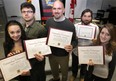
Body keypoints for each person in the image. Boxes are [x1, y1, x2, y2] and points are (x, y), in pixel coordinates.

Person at [45, 0, 77, 81]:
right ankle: (56, 79)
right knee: (54, 71)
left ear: (64, 10)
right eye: (54, 8)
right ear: (52, 10)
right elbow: (46, 37)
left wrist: (72, 46)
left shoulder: (70, 25)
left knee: (64, 73)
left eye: (59, 8)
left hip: (63, 55)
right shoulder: (48, 22)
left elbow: (75, 40)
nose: (56, 11)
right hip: (51, 54)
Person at [69, 9, 99, 81]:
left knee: (84, 65)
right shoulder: (75, 26)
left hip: (87, 51)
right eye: (84, 16)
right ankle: (74, 74)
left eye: (89, 16)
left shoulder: (95, 28)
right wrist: (74, 38)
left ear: (91, 18)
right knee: (74, 64)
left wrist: (95, 41)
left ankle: (82, 76)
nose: (86, 18)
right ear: (81, 17)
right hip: (76, 49)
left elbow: (97, 41)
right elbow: (71, 39)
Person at [20, 2, 47, 81]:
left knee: (38, 77)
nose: (26, 14)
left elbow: (45, 48)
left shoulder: (41, 29)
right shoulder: (21, 27)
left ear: (34, 13)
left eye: (29, 11)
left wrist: (43, 56)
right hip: (25, 59)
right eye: (24, 12)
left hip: (37, 61)